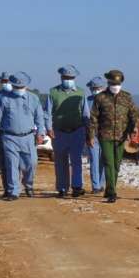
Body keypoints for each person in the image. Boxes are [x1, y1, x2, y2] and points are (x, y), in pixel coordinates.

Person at [0, 72, 45, 200]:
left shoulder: (34, 99)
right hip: (9, 137)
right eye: (17, 87)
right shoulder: (4, 99)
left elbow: (39, 117)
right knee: (11, 165)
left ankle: (28, 185)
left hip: (28, 137)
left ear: (26, 86)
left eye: (21, 86)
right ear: (12, 85)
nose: (19, 89)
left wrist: (40, 133)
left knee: (31, 163)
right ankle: (13, 191)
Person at [86, 69, 138, 203]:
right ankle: (112, 193)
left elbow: (133, 115)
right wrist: (91, 135)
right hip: (105, 136)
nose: (116, 86)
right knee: (109, 162)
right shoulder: (100, 97)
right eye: (113, 83)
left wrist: (134, 128)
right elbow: (93, 118)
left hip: (121, 136)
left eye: (118, 84)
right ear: (108, 83)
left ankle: (109, 189)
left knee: (116, 164)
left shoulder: (127, 97)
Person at [45, 64, 89, 198]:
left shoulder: (81, 92)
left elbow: (85, 113)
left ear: (74, 78)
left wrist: (88, 130)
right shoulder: (53, 92)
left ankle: (77, 187)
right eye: (66, 77)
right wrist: (48, 128)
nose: (68, 80)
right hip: (59, 132)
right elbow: (47, 113)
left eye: (70, 78)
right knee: (60, 161)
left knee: (76, 161)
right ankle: (62, 188)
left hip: (77, 131)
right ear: (61, 77)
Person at [83, 76, 106, 194]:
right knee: (94, 160)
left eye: (98, 88)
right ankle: (95, 186)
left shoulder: (108, 100)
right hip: (92, 135)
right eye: (93, 88)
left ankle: (102, 184)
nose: (95, 90)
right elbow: (84, 118)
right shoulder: (87, 101)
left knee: (104, 160)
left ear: (103, 87)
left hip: (106, 135)